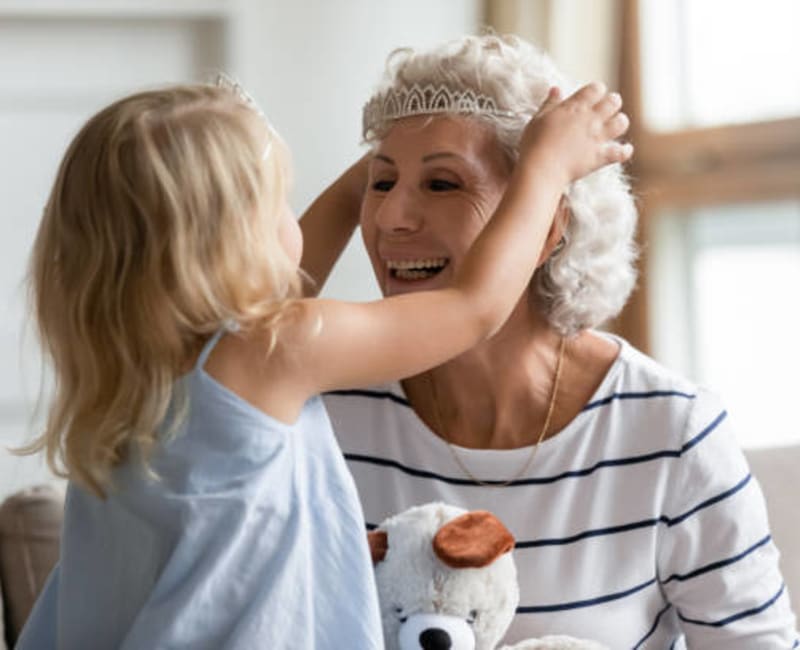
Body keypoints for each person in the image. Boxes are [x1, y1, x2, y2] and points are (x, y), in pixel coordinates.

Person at [14, 72, 629, 649]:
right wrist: (547, 164)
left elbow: (283, 290)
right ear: (233, 237)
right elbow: (474, 309)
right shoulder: (273, 352)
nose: (389, 210)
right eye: (278, 199)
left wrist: (395, 156)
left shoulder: (144, 373)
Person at [320, 34, 800, 648]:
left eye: (442, 184)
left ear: (548, 223)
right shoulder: (328, 413)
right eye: (381, 184)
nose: (391, 219)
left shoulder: (673, 434)